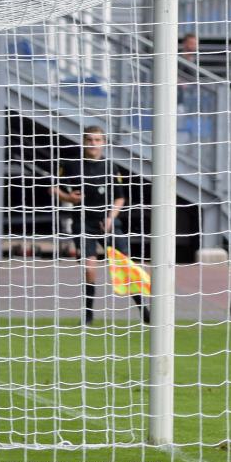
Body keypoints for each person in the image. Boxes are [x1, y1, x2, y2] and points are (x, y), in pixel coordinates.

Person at [52, 126, 150, 326]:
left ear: (103, 142)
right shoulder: (71, 165)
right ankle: (87, 316)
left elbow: (120, 198)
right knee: (89, 268)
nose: (93, 144)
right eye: (89, 140)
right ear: (84, 141)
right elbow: (53, 187)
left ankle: (144, 311)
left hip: (108, 222)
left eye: (97, 140)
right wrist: (68, 197)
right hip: (83, 221)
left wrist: (110, 217)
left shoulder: (111, 167)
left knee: (124, 266)